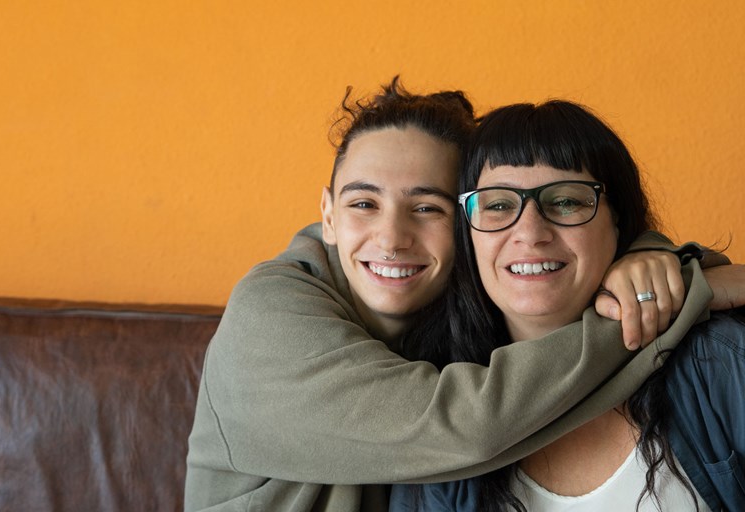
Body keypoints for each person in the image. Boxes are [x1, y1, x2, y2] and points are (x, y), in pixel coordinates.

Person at [184, 79, 723, 512]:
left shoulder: (453, 312)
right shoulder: (268, 314)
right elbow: (460, 426)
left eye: (427, 208)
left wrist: (649, 259)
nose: (392, 238)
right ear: (327, 215)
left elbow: (560, 238)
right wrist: (676, 296)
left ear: (468, 225)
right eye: (363, 204)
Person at [390, 100, 745, 511]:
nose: (530, 232)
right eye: (499, 204)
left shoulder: (718, 364)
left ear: (619, 220)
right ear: (466, 233)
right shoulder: (429, 402)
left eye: (566, 202)